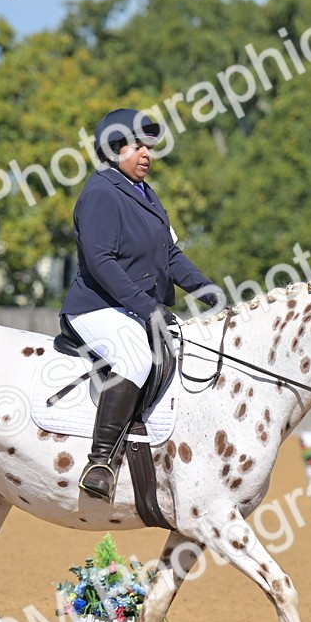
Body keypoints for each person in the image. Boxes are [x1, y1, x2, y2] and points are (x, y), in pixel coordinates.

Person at [61, 108, 220, 501]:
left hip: (131, 306)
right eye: (137, 146)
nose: (147, 154)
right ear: (114, 150)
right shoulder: (100, 192)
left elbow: (170, 254)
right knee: (135, 358)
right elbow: (101, 262)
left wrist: (206, 289)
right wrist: (146, 306)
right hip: (96, 307)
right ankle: (101, 462)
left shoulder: (146, 195)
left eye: (148, 147)